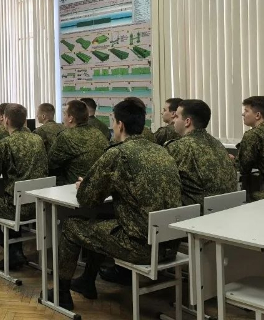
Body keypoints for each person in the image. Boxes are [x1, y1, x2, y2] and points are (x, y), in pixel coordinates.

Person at [45, 99, 182, 310]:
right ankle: (87, 281)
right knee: (102, 219)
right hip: (169, 244)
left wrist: (84, 186)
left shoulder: (118, 153)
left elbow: (87, 199)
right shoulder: (161, 151)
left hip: (140, 247)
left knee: (72, 226)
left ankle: (61, 293)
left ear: (120, 125)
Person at [0, 104, 47, 270]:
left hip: (17, 206)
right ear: (24, 120)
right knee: (7, 201)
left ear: (6, 120)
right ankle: (16, 250)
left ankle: (11, 248)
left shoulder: (5, 143)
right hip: (40, 203)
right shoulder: (37, 139)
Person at [166, 99, 238, 209]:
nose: (173, 120)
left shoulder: (179, 147)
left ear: (187, 122)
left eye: (176, 117)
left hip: (196, 213)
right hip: (225, 210)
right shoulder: (217, 144)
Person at [47, 100, 108, 185]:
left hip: (74, 186)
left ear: (71, 118)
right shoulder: (98, 133)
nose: (63, 118)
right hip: (98, 185)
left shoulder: (67, 136)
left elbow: (50, 163)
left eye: (64, 114)